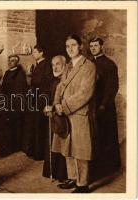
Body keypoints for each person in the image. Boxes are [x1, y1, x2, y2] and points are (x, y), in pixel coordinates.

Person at [53, 34, 96, 193]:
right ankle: (72, 178)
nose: (70, 49)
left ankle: (83, 184)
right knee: (67, 148)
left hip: (79, 114)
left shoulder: (88, 66)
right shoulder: (69, 65)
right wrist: (56, 103)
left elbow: (85, 93)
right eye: (67, 46)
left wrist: (63, 106)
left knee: (81, 150)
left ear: (80, 47)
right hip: (64, 112)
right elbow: (60, 86)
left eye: (73, 45)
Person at [89, 37, 121, 179]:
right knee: (95, 137)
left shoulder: (109, 64)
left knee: (107, 136)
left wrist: (103, 105)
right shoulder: (89, 64)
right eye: (91, 46)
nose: (93, 48)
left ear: (101, 47)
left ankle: (111, 166)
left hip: (104, 107)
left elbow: (112, 88)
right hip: (92, 105)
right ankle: (97, 167)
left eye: (96, 45)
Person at [23, 45, 54, 160]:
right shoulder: (38, 65)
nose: (33, 54)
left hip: (41, 98)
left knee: (39, 125)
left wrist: (32, 80)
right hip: (36, 97)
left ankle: (39, 152)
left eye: (35, 52)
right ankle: (34, 150)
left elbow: (42, 81)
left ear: (41, 53)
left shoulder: (45, 65)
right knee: (34, 124)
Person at [42, 55, 68, 182]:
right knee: (53, 144)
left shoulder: (68, 80)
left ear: (64, 64)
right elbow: (50, 98)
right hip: (54, 117)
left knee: (64, 145)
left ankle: (65, 175)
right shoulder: (54, 81)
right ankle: (55, 173)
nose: (55, 67)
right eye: (53, 65)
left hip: (65, 117)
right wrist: (47, 107)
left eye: (58, 64)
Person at [0, 54, 28, 156]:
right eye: (9, 61)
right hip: (8, 102)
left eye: (12, 61)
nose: (9, 63)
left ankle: (17, 146)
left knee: (17, 125)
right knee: (8, 125)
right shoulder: (7, 73)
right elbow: (4, 87)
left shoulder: (20, 73)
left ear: (16, 62)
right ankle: (10, 146)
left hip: (17, 103)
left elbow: (22, 89)